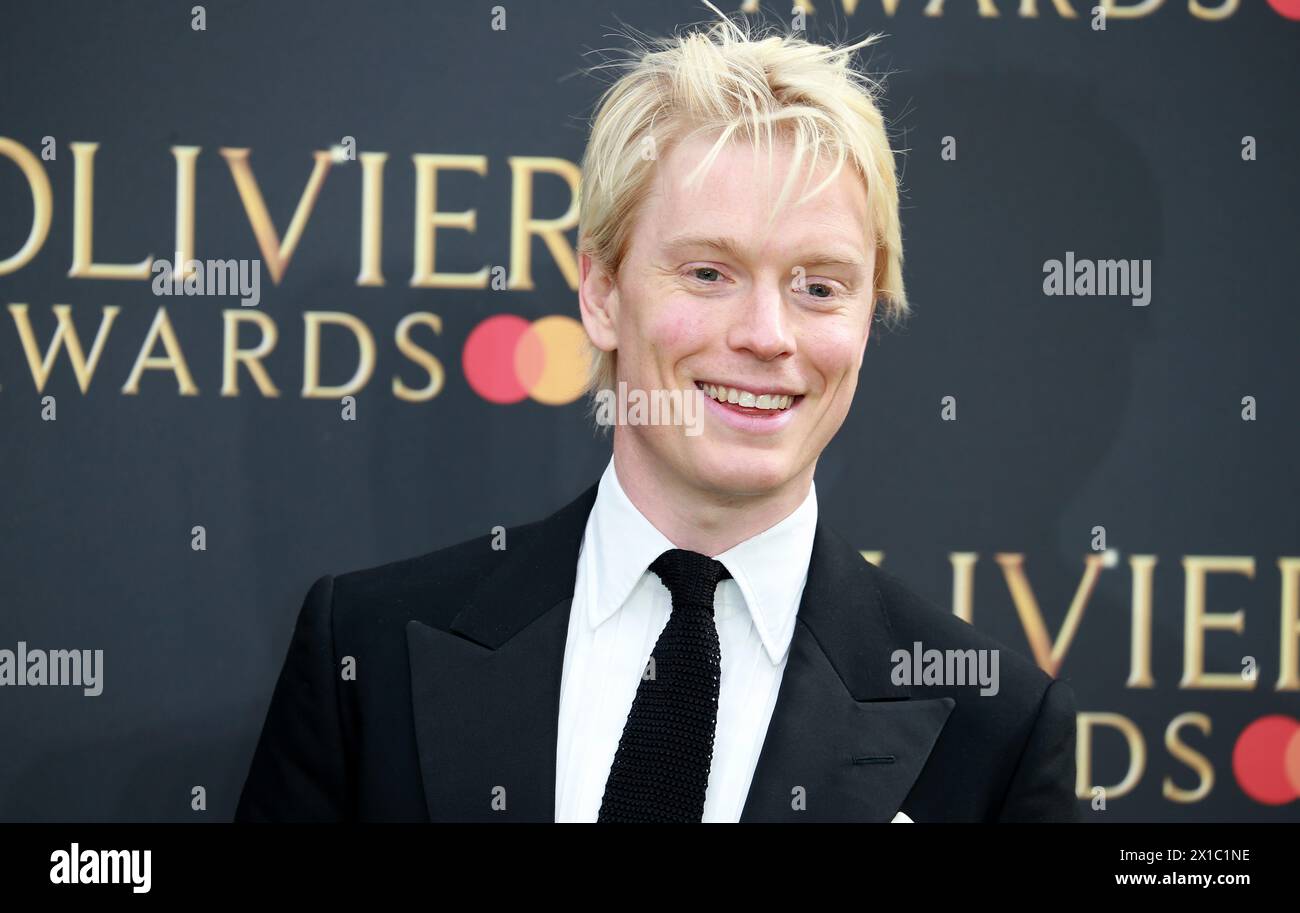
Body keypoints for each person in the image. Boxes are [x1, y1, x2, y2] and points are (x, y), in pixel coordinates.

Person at [235, 11, 1078, 823]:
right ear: (602, 293)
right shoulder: (368, 650)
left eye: (819, 285)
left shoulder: (993, 729)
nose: (765, 336)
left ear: (867, 315)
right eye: (710, 272)